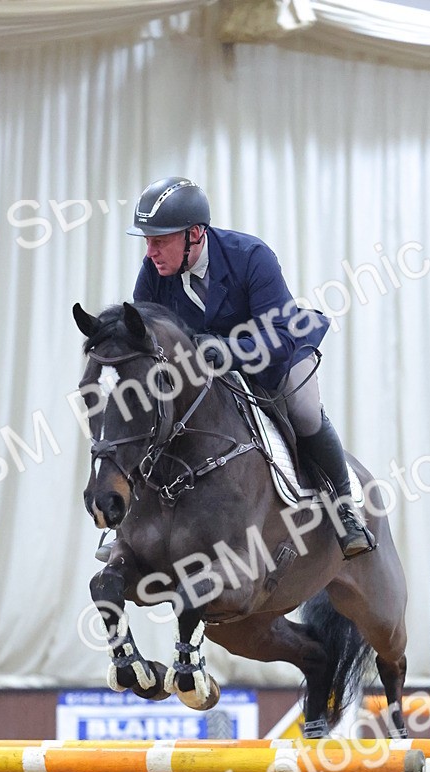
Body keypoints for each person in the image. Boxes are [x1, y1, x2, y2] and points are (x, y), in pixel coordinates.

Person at [125, 176, 375, 559]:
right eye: (147, 241)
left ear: (194, 234)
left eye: (159, 240)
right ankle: (131, 524)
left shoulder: (251, 256)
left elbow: (279, 338)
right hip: (209, 371)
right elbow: (146, 338)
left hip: (277, 354)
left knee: (305, 413)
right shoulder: (153, 275)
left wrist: (224, 351)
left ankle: (345, 508)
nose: (150, 252)